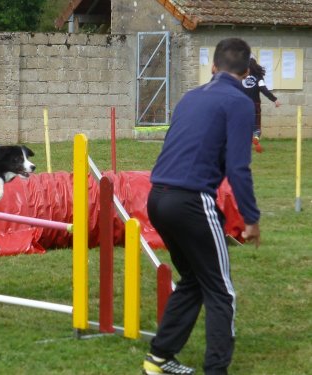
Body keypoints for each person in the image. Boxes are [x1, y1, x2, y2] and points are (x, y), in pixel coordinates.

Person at [141, 38, 261, 375]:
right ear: (247, 71)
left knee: (194, 277)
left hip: (157, 197)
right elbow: (238, 167)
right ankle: (216, 370)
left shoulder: (191, 97)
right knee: (222, 290)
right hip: (191, 201)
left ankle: (159, 358)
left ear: (212, 66)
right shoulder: (239, 102)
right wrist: (251, 219)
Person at [242, 56, 281, 153]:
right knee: (256, 125)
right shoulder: (258, 77)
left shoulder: (241, 76)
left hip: (241, 105)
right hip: (255, 105)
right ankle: (256, 136)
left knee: (243, 125)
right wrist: (274, 99)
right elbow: (264, 89)